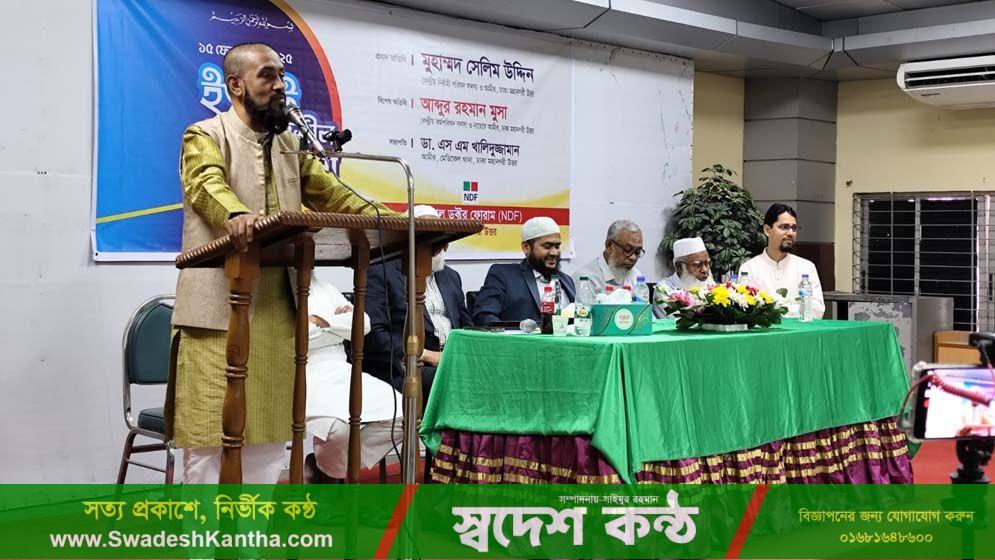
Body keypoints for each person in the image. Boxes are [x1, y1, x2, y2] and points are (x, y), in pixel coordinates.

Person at [164, 42, 395, 484]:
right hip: (216, 315)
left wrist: (391, 220)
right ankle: (203, 533)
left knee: (270, 444)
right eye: (267, 75)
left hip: (276, 314)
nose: (280, 85)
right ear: (235, 85)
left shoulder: (290, 145)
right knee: (210, 444)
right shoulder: (205, 135)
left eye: (282, 75)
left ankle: (251, 532)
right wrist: (236, 215)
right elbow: (205, 185)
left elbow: (334, 195)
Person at [362, 205, 472, 398]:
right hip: (408, 364)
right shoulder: (381, 272)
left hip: (452, 358)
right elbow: (374, 336)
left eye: (440, 236)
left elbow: (466, 325)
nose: (438, 244)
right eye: (428, 235)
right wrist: (425, 354)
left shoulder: (451, 277)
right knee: (459, 379)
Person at [304, 274, 402, 482]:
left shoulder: (326, 286)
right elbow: (297, 336)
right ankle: (332, 473)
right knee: (338, 432)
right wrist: (340, 327)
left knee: (403, 415)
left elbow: (363, 324)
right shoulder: (278, 289)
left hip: (343, 370)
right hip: (305, 373)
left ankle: (325, 470)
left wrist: (318, 320)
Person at [473, 216, 576, 325]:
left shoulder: (566, 280)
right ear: (526, 247)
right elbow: (484, 316)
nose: (554, 253)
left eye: (557, 246)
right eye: (547, 246)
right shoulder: (503, 275)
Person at [739, 203, 825, 319]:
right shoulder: (749, 269)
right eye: (784, 227)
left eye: (794, 228)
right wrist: (796, 309)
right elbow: (747, 310)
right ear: (767, 230)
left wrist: (774, 310)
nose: (790, 233)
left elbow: (817, 310)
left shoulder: (806, 267)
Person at [573, 219, 645, 290]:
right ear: (609, 245)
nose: (633, 257)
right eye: (627, 250)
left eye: (637, 252)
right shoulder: (585, 280)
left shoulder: (636, 276)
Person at [656, 237, 713, 317]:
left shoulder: (709, 285)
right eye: (697, 265)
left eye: (707, 263)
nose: (704, 270)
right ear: (679, 266)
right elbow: (675, 321)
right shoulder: (664, 289)